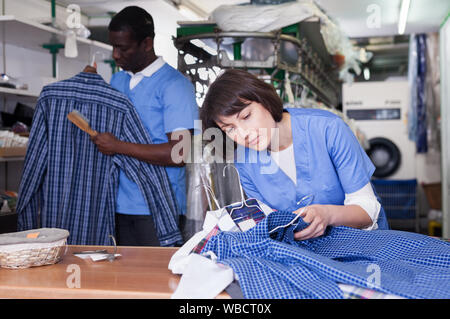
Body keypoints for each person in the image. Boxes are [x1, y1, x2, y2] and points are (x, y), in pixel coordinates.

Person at [200, 69, 389, 240]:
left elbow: (367, 210)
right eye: (230, 128)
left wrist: (327, 215)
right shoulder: (244, 161)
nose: (243, 134)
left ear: (264, 100)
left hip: (363, 244)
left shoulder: (329, 129)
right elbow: (269, 221)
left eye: (246, 116)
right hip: (309, 253)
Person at [85, 6, 198, 246]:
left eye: (123, 48)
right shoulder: (118, 80)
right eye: (113, 46)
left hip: (157, 206)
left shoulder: (175, 86)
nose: (115, 55)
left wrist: (117, 146)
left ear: (146, 44)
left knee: (155, 278)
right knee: (121, 277)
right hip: (115, 202)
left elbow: (180, 153)